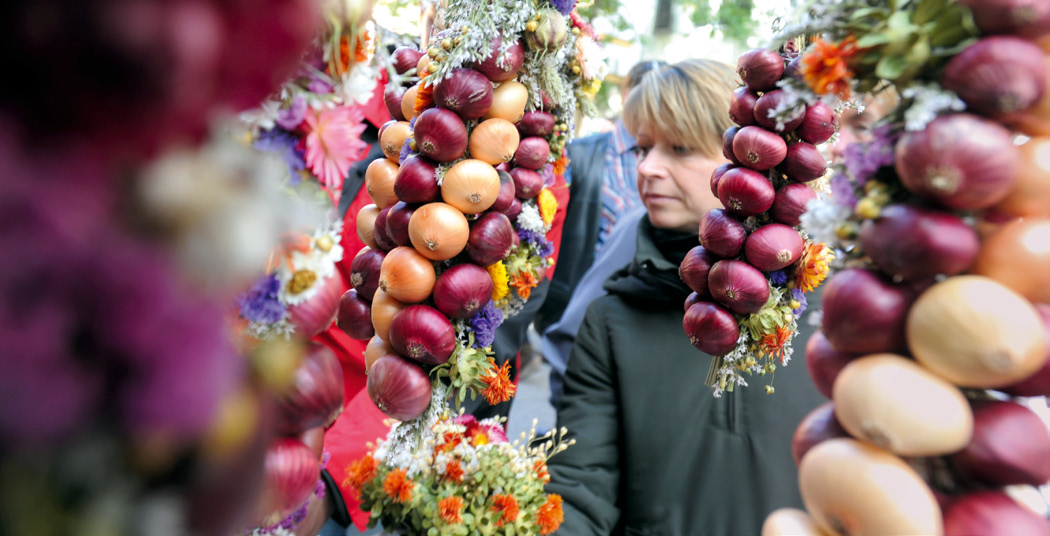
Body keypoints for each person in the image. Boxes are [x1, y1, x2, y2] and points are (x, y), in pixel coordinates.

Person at [544, 59, 825, 535]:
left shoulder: (827, 305)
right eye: (643, 148)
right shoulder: (613, 318)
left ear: (751, 156)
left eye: (678, 148)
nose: (649, 168)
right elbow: (578, 484)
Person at [537, 60, 664, 406]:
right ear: (626, 93)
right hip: (578, 297)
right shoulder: (583, 153)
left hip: (639, 302)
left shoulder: (662, 160)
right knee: (571, 392)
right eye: (643, 91)